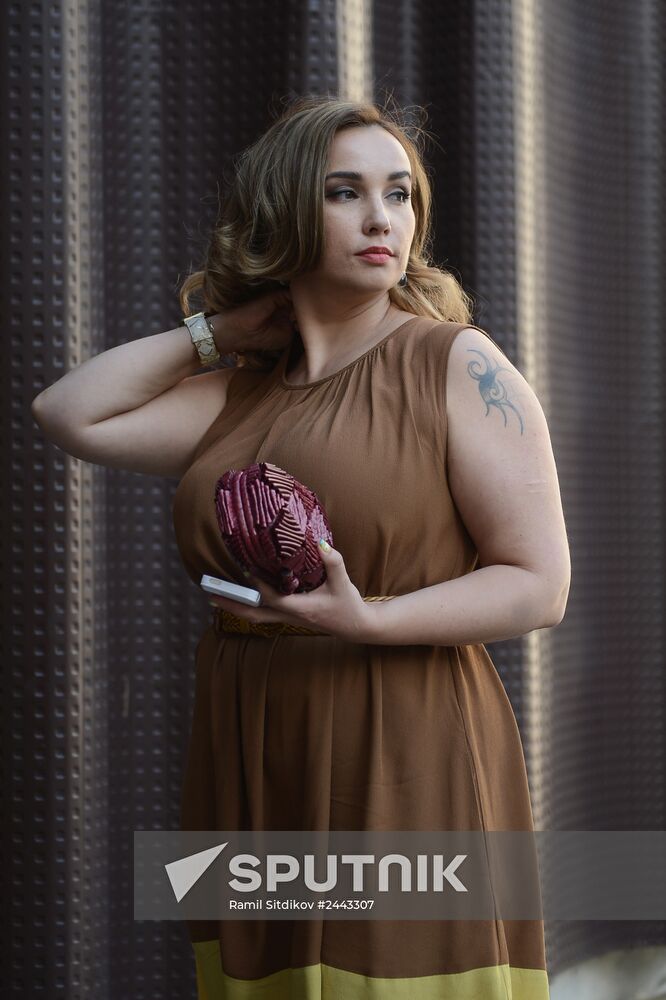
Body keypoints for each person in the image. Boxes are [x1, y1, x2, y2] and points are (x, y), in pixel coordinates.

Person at [31, 94, 570, 999]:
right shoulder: (240, 393)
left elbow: (540, 584)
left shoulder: (455, 363)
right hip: (248, 736)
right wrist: (221, 333)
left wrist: (371, 619)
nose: (381, 218)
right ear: (283, 211)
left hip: (396, 736)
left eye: (399, 194)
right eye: (344, 192)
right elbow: (67, 413)